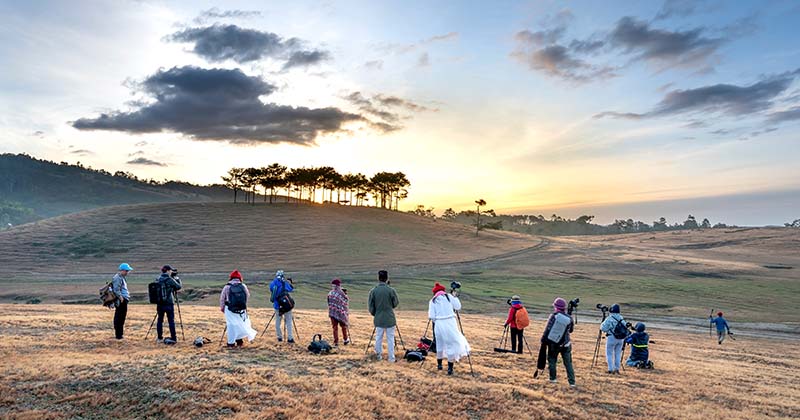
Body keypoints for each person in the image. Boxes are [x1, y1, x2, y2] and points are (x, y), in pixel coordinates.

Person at [428, 282, 470, 375]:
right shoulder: (449, 297)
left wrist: (438, 321)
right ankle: (450, 368)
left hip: (439, 324)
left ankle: (439, 365)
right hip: (450, 322)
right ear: (443, 290)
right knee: (451, 344)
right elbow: (458, 307)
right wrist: (455, 297)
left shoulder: (432, 301)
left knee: (439, 343)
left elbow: (432, 316)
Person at [541, 297, 576, 387]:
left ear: (556, 307)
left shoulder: (554, 316)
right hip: (566, 343)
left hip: (554, 343)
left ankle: (553, 379)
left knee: (552, 360)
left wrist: (543, 340)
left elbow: (547, 329)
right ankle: (572, 382)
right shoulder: (569, 318)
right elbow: (571, 330)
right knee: (568, 363)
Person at [219, 270, 257, 348]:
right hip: (241, 309)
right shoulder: (243, 286)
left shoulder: (227, 287)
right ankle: (239, 341)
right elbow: (247, 295)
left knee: (231, 325)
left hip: (230, 309)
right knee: (240, 324)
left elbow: (222, 299)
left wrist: (223, 308)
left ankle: (231, 343)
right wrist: (243, 305)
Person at [368, 270, 399, 362]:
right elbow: (395, 303)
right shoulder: (391, 290)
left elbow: (371, 307)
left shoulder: (373, 291)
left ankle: (378, 356)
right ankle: (391, 358)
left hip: (379, 318)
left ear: (378, 278)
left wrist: (376, 314)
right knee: (390, 339)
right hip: (390, 318)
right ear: (386, 278)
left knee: (378, 338)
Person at [154, 265, 182, 344]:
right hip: (169, 303)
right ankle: (173, 337)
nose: (171, 272)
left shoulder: (158, 279)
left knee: (160, 320)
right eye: (170, 271)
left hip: (160, 303)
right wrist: (177, 279)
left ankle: (159, 337)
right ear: (168, 271)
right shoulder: (169, 279)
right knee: (171, 321)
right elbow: (178, 286)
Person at [600, 303, 627, 374]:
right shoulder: (621, 318)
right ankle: (617, 369)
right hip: (621, 338)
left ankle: (610, 369)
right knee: (618, 353)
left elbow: (603, 328)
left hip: (611, 337)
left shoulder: (609, 318)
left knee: (609, 353)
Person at [269, 270, 295, 343]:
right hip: (287, 306)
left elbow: (271, 291)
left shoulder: (273, 283)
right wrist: (290, 283)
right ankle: (290, 338)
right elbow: (291, 289)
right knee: (289, 321)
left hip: (277, 306)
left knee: (278, 322)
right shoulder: (285, 283)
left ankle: (279, 337)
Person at [112, 263, 133, 340]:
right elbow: (116, 290)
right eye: (127, 271)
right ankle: (119, 335)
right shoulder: (118, 278)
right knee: (120, 317)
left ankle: (119, 334)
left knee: (121, 317)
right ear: (122, 270)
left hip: (123, 299)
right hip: (121, 300)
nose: (127, 272)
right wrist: (121, 298)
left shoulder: (121, 277)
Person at [327, 278, 350, 347]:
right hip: (341, 312)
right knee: (343, 326)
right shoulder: (341, 293)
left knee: (335, 327)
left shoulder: (330, 293)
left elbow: (328, 302)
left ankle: (336, 342)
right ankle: (345, 339)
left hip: (332, 312)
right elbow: (346, 301)